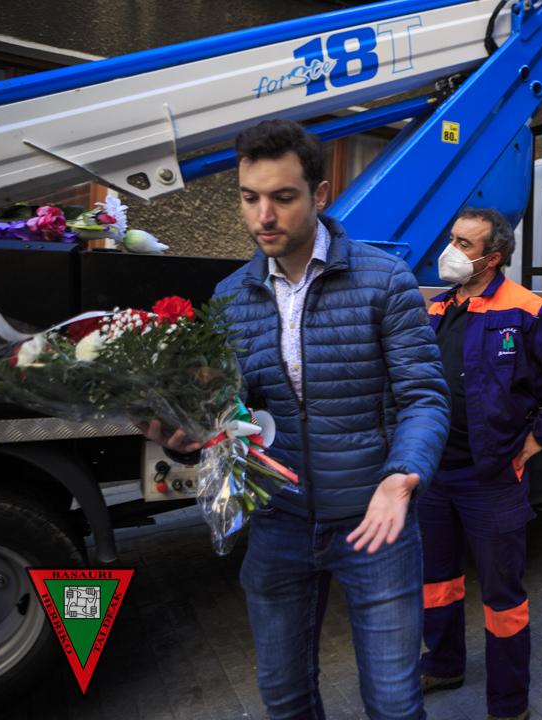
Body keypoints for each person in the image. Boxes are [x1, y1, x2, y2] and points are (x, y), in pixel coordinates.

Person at [144, 119, 450, 720]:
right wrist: (184, 436)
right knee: (284, 700)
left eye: (283, 197)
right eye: (249, 197)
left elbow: (425, 397)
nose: (264, 216)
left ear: (321, 194)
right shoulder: (231, 296)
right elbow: (228, 415)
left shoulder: (383, 280)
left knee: (394, 703)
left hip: (374, 522)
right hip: (278, 525)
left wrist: (402, 476)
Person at [418, 208, 542, 720]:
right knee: (437, 580)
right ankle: (444, 663)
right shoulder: (438, 308)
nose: (450, 251)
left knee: (503, 597)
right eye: (451, 238)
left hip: (491, 478)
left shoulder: (526, 310)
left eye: (464, 244)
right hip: (435, 474)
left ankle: (508, 703)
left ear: (492, 258)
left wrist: (539, 439)